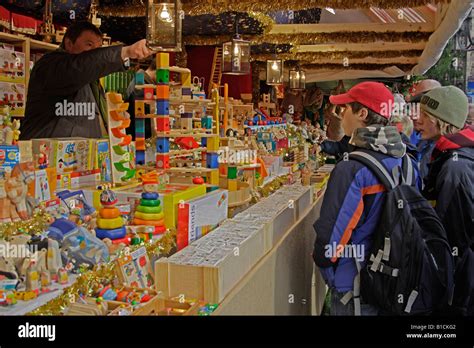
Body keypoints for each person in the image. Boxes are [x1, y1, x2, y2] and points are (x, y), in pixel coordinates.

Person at [312, 81, 420, 316]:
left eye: (344, 109)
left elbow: (332, 237)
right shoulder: (408, 161)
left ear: (362, 113)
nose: (341, 117)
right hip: (398, 276)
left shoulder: (351, 169)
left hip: (356, 283)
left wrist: (331, 273)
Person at [20, 21, 154, 139]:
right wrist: (125, 52)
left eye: (98, 49)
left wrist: (114, 118)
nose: (94, 53)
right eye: (89, 45)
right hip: (45, 158)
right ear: (69, 43)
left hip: (80, 159)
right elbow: (79, 68)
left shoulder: (91, 79)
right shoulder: (51, 65)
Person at [418, 86, 474, 315]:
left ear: (441, 121)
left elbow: (456, 238)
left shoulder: (455, 167)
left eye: (424, 116)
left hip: (459, 283)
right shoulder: (447, 155)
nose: (417, 120)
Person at [125, 60, 156, 139]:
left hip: (140, 134)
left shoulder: (144, 81)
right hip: (139, 136)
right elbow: (142, 112)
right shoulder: (141, 82)